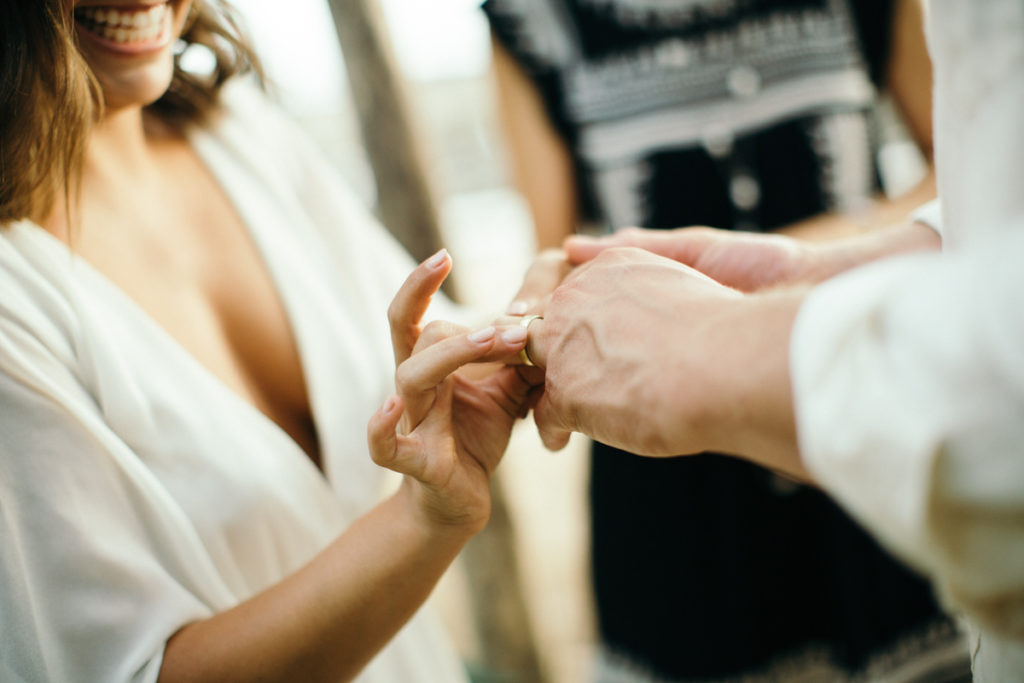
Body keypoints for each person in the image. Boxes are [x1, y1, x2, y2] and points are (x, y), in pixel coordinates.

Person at [0, 1, 544, 681]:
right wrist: (423, 523)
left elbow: (441, 357)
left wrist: (552, 308)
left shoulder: (238, 131)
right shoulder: (14, 296)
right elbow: (132, 670)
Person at [518, 0, 1024, 679]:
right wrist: (819, 270)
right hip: (675, 486)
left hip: (869, 431)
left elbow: (964, 171)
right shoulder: (531, 21)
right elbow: (552, 262)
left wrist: (711, 336)